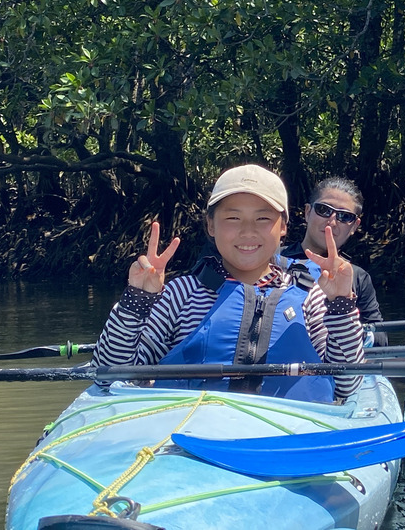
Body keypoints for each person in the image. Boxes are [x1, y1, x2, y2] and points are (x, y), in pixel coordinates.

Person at [93, 164, 365, 402]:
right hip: (187, 430)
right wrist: (136, 301)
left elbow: (348, 385)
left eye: (263, 218)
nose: (248, 231)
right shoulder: (181, 294)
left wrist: (341, 305)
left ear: (283, 227)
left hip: (289, 433)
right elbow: (110, 378)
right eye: (233, 218)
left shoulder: (311, 296)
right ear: (211, 226)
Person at [275, 176, 389, 347]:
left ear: (354, 226)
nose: (332, 221)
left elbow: (380, 338)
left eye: (345, 216)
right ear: (307, 212)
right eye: (323, 209)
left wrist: (345, 316)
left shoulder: (357, 277)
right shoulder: (271, 260)